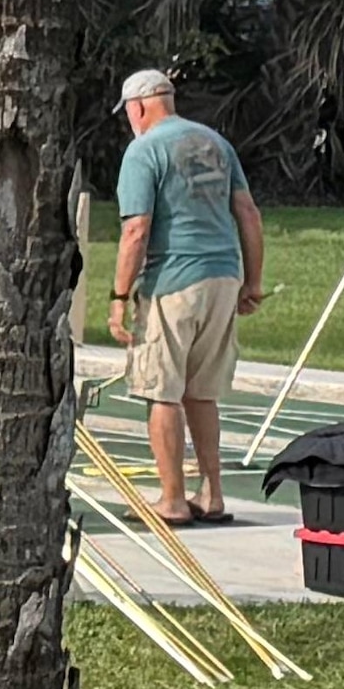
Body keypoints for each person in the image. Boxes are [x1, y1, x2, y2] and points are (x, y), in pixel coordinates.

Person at [104, 66, 260, 528]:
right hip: (223, 275)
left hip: (173, 280)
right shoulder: (217, 144)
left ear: (137, 107)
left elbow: (136, 229)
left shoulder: (143, 150)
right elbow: (247, 212)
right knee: (202, 392)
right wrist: (252, 281)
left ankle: (171, 499)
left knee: (162, 391)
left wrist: (118, 296)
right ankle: (212, 492)